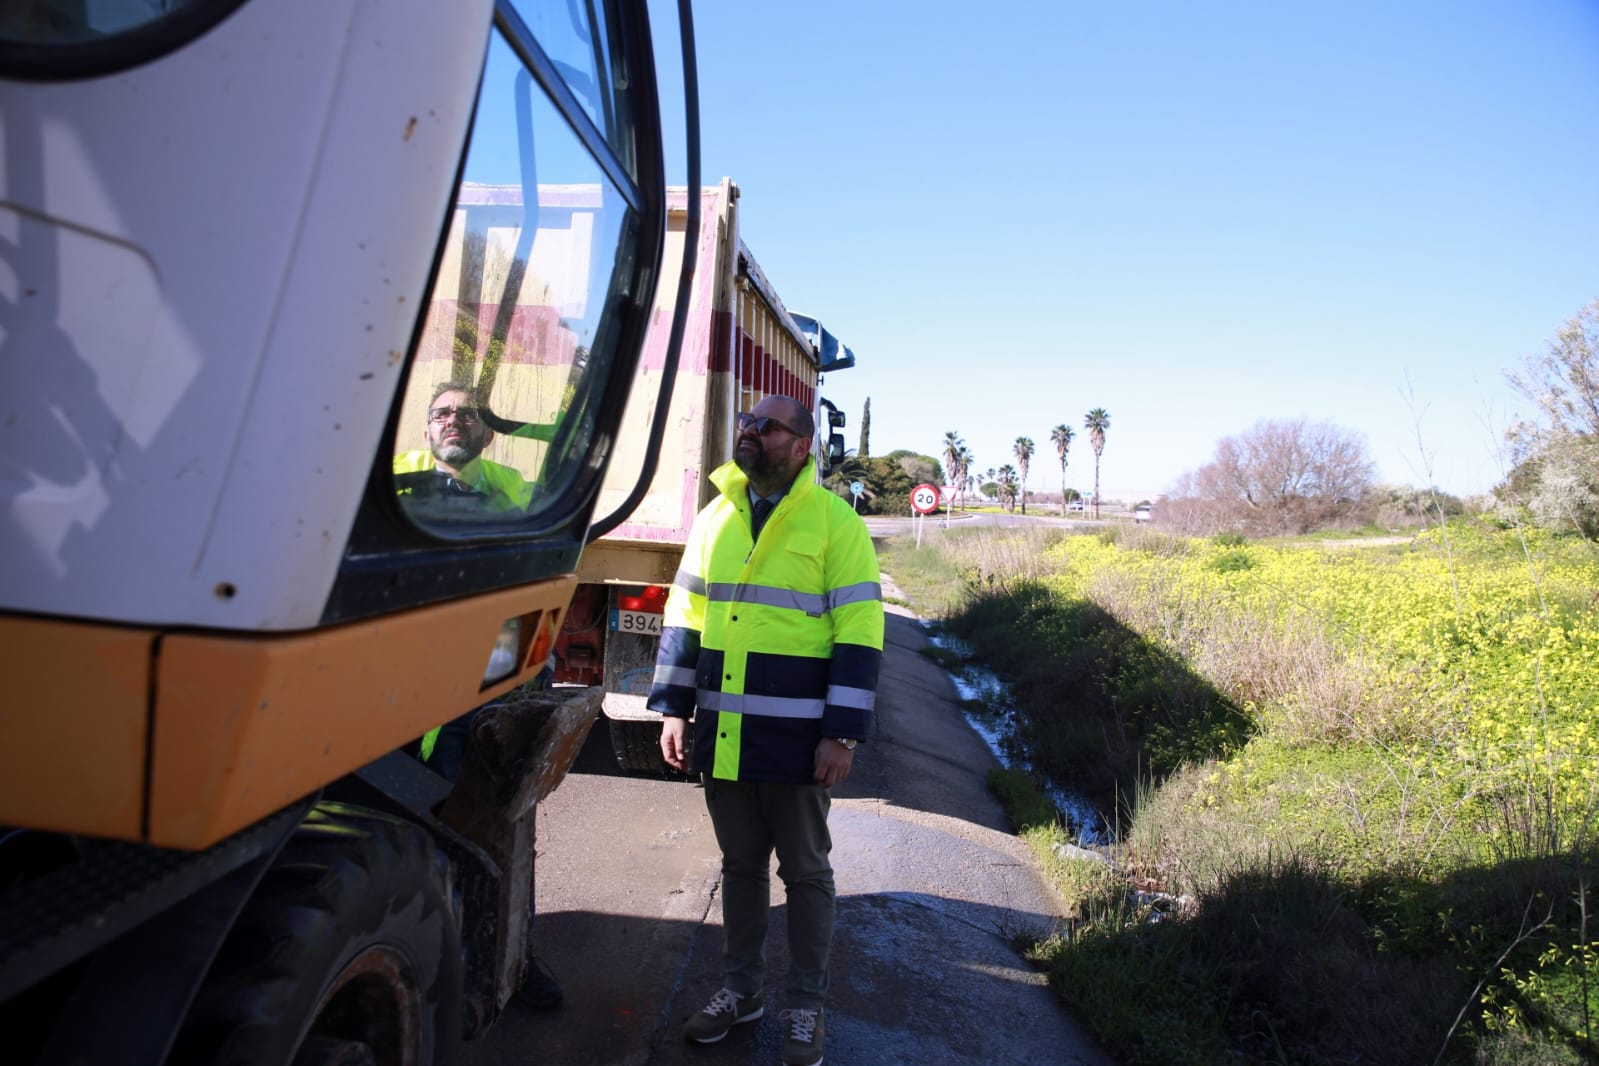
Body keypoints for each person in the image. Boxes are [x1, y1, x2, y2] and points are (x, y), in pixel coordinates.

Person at [647, 395, 884, 1066]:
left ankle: (805, 1005)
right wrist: (672, 706)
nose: (750, 432)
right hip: (724, 733)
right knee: (740, 867)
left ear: (802, 446)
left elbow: (861, 634)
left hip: (800, 739)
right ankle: (739, 992)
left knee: (806, 874)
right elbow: (685, 614)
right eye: (747, 423)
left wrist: (841, 734)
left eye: (768, 426)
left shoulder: (836, 524)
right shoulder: (716, 516)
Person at [393, 380, 535, 512]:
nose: (453, 421)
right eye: (441, 414)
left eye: (467, 414)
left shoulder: (512, 487)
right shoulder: (396, 479)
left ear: (488, 437)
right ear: (427, 438)